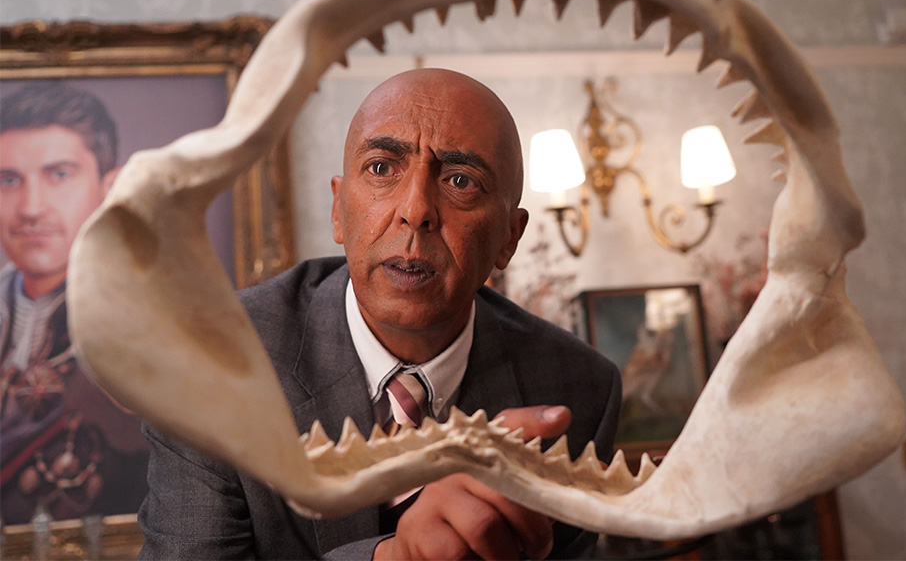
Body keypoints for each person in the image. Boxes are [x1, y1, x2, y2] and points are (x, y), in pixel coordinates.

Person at [138, 69, 622, 560]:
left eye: (460, 180)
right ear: (338, 210)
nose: (416, 210)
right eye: (382, 168)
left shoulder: (579, 389)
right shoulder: (209, 360)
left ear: (508, 239)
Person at [0, 82, 150, 524]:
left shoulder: (154, 326)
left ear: (110, 187)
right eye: (9, 180)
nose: (31, 208)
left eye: (59, 175)